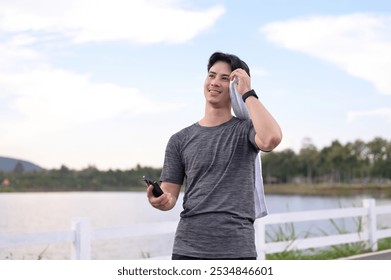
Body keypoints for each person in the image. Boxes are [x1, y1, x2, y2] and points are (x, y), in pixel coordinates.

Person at [147, 51, 282, 260]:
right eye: (211, 75)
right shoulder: (179, 140)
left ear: (236, 85)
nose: (215, 82)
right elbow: (170, 194)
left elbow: (271, 138)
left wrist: (248, 92)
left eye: (225, 78)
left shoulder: (245, 130)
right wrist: (162, 200)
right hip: (187, 249)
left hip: (236, 249)